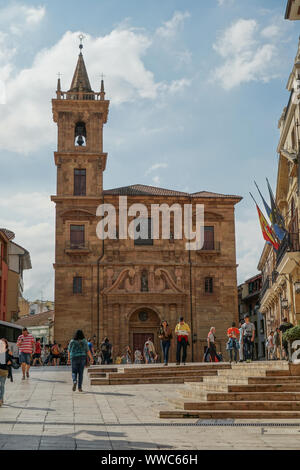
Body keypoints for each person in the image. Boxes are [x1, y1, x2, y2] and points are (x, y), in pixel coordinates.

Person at [0, 339, 13, 406]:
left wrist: (10, 362)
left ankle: (1, 399)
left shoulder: (8, 351)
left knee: (2, 386)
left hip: (4, 370)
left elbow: (12, 361)